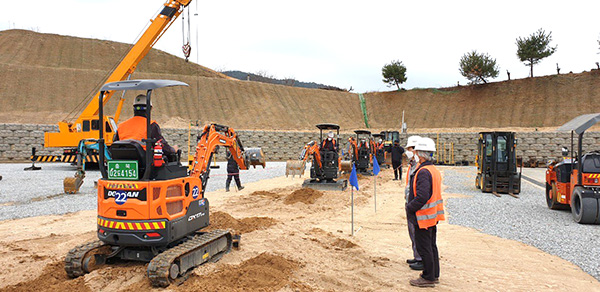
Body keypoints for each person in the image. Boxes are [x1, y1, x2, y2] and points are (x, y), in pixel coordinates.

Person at [406, 137, 445, 287]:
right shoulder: (433, 170)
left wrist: (410, 208)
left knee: (424, 247)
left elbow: (422, 196)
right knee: (431, 245)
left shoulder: (423, 172)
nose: (414, 154)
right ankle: (434, 274)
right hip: (432, 216)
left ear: (421, 155)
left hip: (423, 217)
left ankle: (428, 277)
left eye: (416, 152)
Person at [404, 136, 422, 270]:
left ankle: (421, 258)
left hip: (415, 204)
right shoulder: (412, 165)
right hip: (410, 202)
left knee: (417, 231)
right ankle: (416, 256)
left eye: (409, 149)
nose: (407, 152)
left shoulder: (419, 167)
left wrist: (412, 204)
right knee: (412, 231)